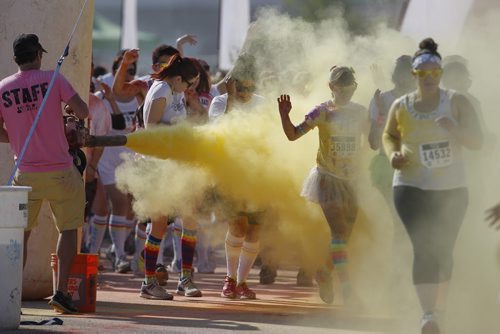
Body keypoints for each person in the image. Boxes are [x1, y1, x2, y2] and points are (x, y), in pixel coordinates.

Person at [382, 38, 482, 334]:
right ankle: (428, 316)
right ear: (414, 75)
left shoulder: (457, 102)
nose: (428, 78)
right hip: (410, 186)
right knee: (423, 248)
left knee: (444, 251)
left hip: (451, 188)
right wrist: (393, 155)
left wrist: (456, 130)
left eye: (433, 73)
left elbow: (478, 142)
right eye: (422, 73)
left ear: (439, 75)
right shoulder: (401, 105)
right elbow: (389, 135)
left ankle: (440, 310)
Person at [0, 34, 89, 313]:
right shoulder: (54, 78)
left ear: (16, 59)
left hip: (24, 172)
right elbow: (83, 111)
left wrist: (16, 137)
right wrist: (65, 113)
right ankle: (61, 293)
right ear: (39, 54)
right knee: (68, 229)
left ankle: (10, 296)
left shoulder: (2, 88)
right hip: (61, 171)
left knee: (21, 234)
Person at [277, 66, 366, 305]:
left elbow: (377, 138)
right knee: (339, 231)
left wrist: (380, 114)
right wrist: (285, 115)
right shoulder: (322, 112)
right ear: (331, 87)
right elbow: (293, 135)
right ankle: (347, 290)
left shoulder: (361, 112)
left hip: (352, 181)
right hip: (327, 178)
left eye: (351, 88)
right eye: (341, 88)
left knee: (345, 234)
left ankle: (325, 273)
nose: (346, 92)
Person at [139, 51, 200, 300]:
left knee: (190, 217)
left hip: (175, 163)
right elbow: (151, 126)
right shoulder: (162, 90)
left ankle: (185, 279)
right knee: (160, 222)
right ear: (177, 79)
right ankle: (148, 282)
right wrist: (179, 132)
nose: (189, 88)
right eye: (188, 83)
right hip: (157, 165)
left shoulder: (174, 90)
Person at [209, 54, 265, 300]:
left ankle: (242, 282)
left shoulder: (263, 104)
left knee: (254, 231)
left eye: (249, 87)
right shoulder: (220, 103)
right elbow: (221, 133)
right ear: (231, 82)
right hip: (230, 175)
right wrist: (230, 97)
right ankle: (230, 280)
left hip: (259, 176)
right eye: (240, 86)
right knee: (238, 226)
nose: (245, 92)